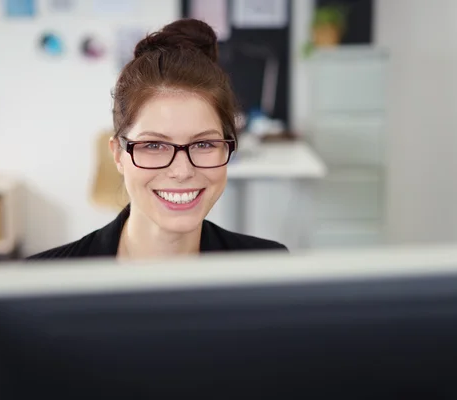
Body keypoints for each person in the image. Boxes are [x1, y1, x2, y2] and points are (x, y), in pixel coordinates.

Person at [29, 18, 287, 260]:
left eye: (204, 144)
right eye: (154, 145)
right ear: (118, 154)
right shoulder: (41, 282)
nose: (182, 171)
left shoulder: (268, 268)